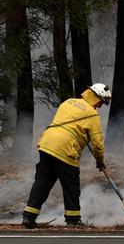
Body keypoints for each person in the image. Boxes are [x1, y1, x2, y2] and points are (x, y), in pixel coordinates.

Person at [21, 83, 111, 228]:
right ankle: (73, 221)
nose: (100, 106)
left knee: (42, 182)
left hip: (47, 144)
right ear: (96, 96)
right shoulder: (92, 115)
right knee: (71, 186)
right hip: (66, 149)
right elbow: (98, 143)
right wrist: (100, 161)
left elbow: (65, 122)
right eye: (101, 102)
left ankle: (28, 217)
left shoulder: (68, 102)